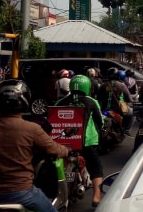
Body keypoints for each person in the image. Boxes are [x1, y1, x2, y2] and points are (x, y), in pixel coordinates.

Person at [0, 80, 69, 212]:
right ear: (25, 101)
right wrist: (67, 150)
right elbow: (54, 149)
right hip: (21, 193)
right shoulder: (32, 128)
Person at [54, 75, 104, 207]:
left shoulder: (60, 102)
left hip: (63, 142)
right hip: (87, 143)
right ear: (88, 87)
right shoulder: (92, 102)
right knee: (96, 168)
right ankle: (96, 197)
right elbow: (100, 122)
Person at [98, 67, 134, 135]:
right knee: (132, 113)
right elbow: (129, 99)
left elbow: (98, 99)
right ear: (117, 75)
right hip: (118, 110)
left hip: (104, 110)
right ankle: (126, 131)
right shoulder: (122, 85)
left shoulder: (103, 85)